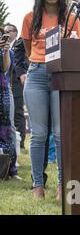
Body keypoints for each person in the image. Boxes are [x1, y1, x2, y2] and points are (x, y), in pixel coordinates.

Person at [21, 0, 80, 199]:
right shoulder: (30, 17)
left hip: (61, 76)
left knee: (60, 133)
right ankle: (38, 186)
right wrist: (38, 62)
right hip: (36, 75)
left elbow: (79, 49)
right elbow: (28, 48)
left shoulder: (72, 18)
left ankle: (61, 185)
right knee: (38, 134)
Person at [4, 24, 26, 150]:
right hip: (7, 84)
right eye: (4, 32)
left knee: (17, 113)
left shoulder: (20, 44)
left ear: (15, 32)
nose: (6, 34)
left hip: (16, 83)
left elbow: (21, 64)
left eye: (9, 31)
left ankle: (19, 143)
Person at [0, 28, 18, 179]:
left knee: (6, 130)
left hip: (2, 90)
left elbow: (5, 68)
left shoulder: (5, 47)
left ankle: (9, 169)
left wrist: (5, 51)